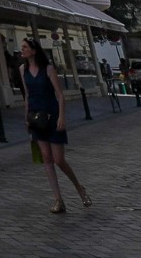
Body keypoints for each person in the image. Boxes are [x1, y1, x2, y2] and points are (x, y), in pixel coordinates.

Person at [20, 38, 90, 213]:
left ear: (34, 50)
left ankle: (79, 188)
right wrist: (26, 118)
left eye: (25, 47)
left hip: (52, 116)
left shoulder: (48, 69)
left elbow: (59, 94)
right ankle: (58, 200)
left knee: (59, 160)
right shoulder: (23, 70)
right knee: (46, 159)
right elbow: (27, 95)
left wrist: (61, 117)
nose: (22, 50)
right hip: (36, 117)